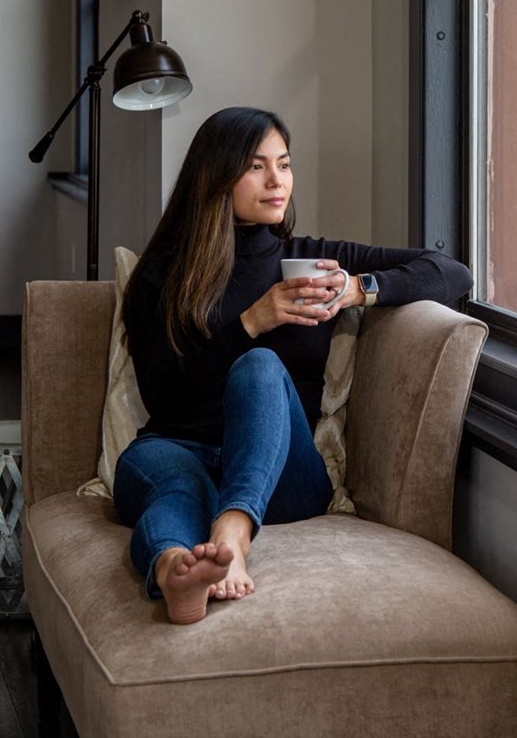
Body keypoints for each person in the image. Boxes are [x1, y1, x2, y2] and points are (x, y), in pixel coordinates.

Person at [114, 106, 473, 624]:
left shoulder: (312, 259)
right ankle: (176, 570)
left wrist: (357, 288)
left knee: (260, 367)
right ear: (215, 176)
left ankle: (233, 532)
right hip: (178, 449)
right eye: (257, 166)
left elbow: (451, 271)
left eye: (284, 164)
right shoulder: (163, 276)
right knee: (176, 488)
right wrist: (252, 321)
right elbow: (163, 396)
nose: (276, 180)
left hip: (282, 476)